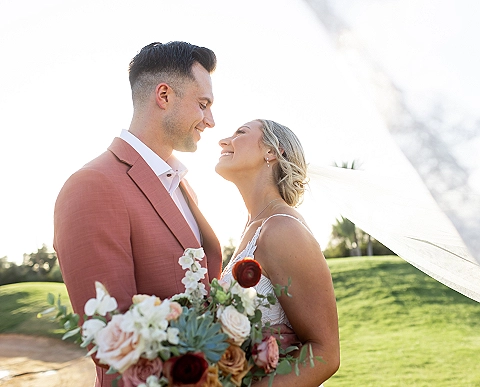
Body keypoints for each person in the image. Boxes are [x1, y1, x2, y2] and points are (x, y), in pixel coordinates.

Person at [53, 41, 222, 387]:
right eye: (203, 105)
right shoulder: (92, 186)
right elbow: (113, 346)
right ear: (163, 96)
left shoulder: (183, 187)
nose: (211, 121)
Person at [217, 119, 340, 386]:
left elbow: (325, 353)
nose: (223, 141)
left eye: (240, 132)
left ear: (271, 152)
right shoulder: (251, 228)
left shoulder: (283, 228)